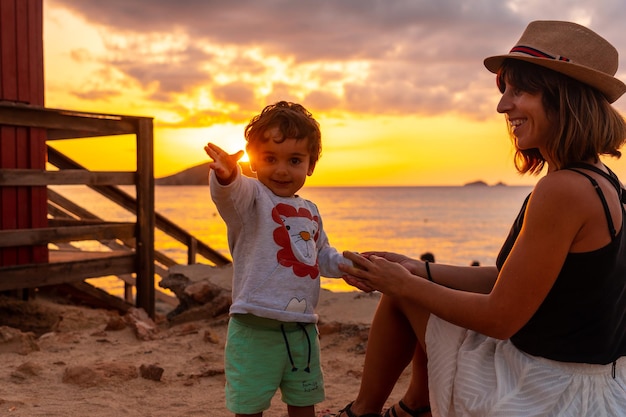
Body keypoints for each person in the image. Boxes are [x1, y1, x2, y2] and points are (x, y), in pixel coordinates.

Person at [333, 20, 626, 417]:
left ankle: (367, 413)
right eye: (504, 90)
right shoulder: (602, 180)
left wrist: (402, 283)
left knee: (402, 294)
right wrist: (415, 268)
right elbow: (513, 282)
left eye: (519, 91)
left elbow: (501, 318)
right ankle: (410, 407)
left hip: (546, 391)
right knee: (410, 285)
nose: (503, 106)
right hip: (592, 383)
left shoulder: (563, 191)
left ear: (564, 98)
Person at [205, 101, 350, 417]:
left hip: (302, 328)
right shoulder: (252, 199)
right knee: (250, 405)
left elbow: (319, 254)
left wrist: (346, 266)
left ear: (310, 165)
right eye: (270, 159)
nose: (282, 169)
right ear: (255, 162)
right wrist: (228, 176)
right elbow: (230, 195)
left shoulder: (310, 209)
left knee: (303, 402)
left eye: (295, 160)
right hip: (254, 325)